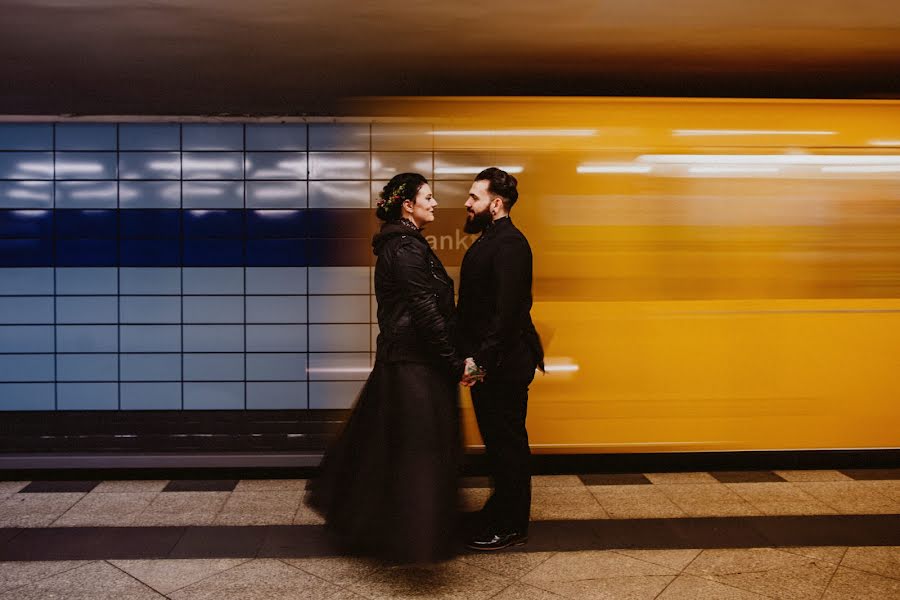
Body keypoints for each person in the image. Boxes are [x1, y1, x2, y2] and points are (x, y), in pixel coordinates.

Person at [305, 172, 481, 564]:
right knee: (418, 452)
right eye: (429, 197)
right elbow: (424, 311)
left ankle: (385, 527)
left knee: (387, 450)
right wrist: (455, 364)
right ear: (408, 204)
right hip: (413, 365)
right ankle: (412, 535)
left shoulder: (407, 245)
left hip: (412, 361)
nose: (435, 204)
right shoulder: (405, 249)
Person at [457, 167, 544, 551]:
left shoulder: (510, 244)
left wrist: (481, 363)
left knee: (507, 444)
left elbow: (507, 314)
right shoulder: (494, 238)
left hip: (504, 365)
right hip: (494, 362)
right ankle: (500, 510)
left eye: (474, 197)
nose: (466, 203)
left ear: (495, 204)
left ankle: (511, 524)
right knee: (498, 442)